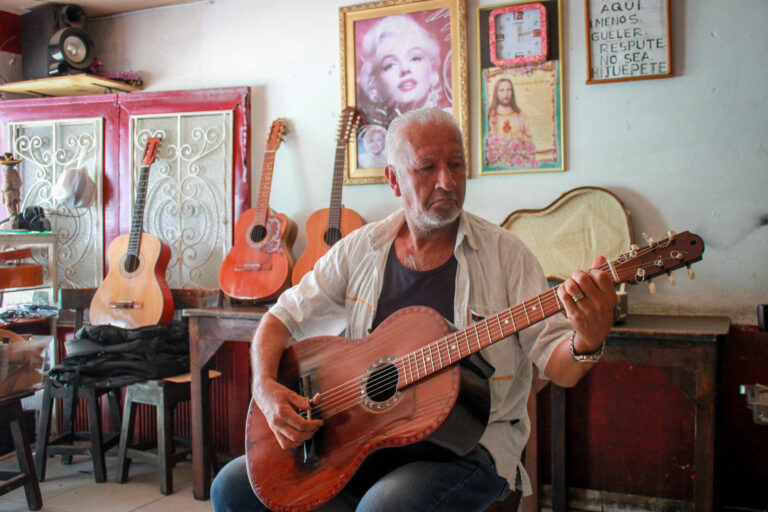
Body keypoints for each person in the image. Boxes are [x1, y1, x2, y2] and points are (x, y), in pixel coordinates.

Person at [211, 108, 617, 512]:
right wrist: (264, 386)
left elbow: (559, 366)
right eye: (427, 167)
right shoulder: (360, 249)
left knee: (384, 507)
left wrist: (587, 338)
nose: (447, 181)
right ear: (393, 180)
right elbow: (279, 318)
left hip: (469, 448)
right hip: (361, 440)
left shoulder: (507, 256)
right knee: (231, 487)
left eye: (456, 164)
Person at [356, 15, 449, 128]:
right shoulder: (375, 136)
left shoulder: (450, 122)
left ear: (432, 69)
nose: (405, 69)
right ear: (376, 83)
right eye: (390, 65)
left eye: (415, 58)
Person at [0, 152, 22, 229]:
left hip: (9, 193)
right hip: (15, 193)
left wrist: (3, 190)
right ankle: (14, 220)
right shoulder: (14, 171)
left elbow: (7, 184)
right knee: (13, 208)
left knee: (9, 206)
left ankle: (13, 221)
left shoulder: (7, 172)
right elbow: (19, 182)